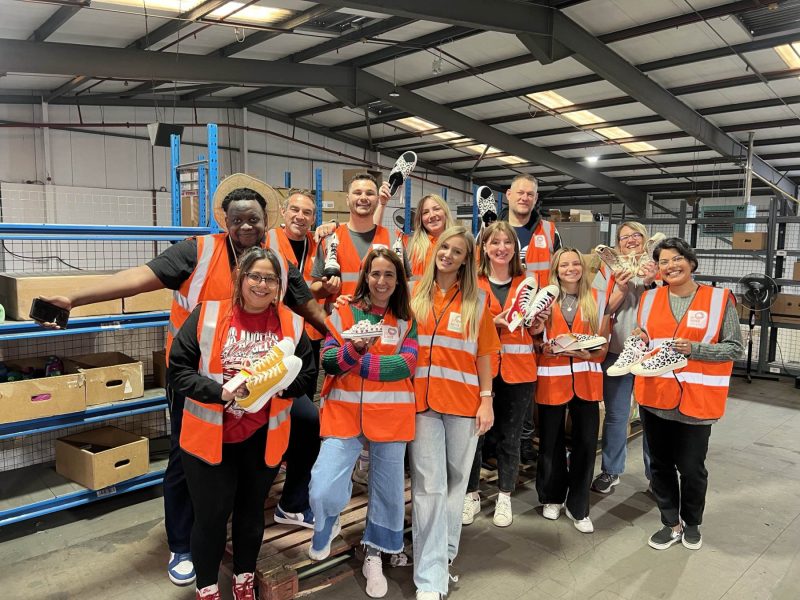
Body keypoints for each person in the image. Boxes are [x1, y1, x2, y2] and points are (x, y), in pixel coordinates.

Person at [39, 174, 327, 585]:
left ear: (268, 223)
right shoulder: (198, 252)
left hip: (259, 388)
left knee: (307, 423)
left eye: (255, 220)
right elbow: (138, 278)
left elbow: (307, 305)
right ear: (224, 221)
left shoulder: (275, 263)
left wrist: (341, 336)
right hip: (196, 382)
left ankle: (286, 504)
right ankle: (183, 544)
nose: (247, 227)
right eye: (238, 220)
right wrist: (75, 297)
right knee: (184, 460)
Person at [168, 247, 316, 600]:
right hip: (208, 439)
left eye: (270, 279)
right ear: (241, 278)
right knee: (212, 518)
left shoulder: (292, 324)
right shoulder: (208, 314)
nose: (262, 285)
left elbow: (307, 375)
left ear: (279, 285)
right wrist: (219, 392)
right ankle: (207, 587)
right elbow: (178, 370)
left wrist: (273, 386)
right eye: (255, 276)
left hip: (261, 437)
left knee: (251, 515)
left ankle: (243, 579)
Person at [308, 248, 417, 598]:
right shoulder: (342, 312)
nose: (381, 281)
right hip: (343, 414)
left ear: (398, 280)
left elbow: (406, 365)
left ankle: (375, 552)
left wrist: (357, 362)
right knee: (323, 485)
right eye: (375, 274)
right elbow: (329, 360)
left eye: (389, 274)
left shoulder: (406, 319)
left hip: (391, 417)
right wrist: (354, 350)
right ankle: (326, 522)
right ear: (365, 276)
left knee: (388, 494)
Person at [409, 226, 500, 600]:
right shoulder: (413, 292)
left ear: (466, 260)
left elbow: (484, 354)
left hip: (463, 404)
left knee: (456, 481)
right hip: (422, 404)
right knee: (429, 486)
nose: (447, 254)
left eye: (457, 251)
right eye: (444, 247)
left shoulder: (477, 301)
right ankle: (430, 578)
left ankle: (444, 555)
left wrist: (487, 399)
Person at [634, 238, 742, 551]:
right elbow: (648, 339)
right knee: (660, 465)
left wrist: (696, 349)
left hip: (697, 400)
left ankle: (692, 522)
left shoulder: (719, 299)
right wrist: (639, 339)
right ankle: (671, 523)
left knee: (692, 468)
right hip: (655, 396)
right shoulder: (650, 299)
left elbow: (734, 347)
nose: (671, 266)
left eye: (677, 258)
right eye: (664, 261)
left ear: (691, 262)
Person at [311, 173, 406, 484]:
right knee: (341, 407)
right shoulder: (330, 237)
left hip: (384, 334)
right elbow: (312, 286)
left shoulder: (391, 238)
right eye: (357, 193)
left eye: (368, 192)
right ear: (347, 198)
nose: (363, 198)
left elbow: (402, 283)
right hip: (342, 334)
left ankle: (366, 465)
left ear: (375, 198)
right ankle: (341, 471)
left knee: (376, 405)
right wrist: (327, 287)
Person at [464, 222, 547, 528]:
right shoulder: (472, 281)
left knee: (510, 438)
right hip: (480, 369)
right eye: (494, 242)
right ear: (483, 248)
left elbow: (536, 327)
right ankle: (471, 494)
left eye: (506, 242)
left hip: (519, 370)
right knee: (475, 434)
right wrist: (493, 322)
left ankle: (504, 496)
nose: (501, 248)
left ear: (515, 248)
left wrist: (538, 324)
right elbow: (465, 321)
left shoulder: (529, 281)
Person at [535, 248, 609, 534]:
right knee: (551, 443)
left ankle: (579, 506)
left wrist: (581, 354)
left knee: (586, 445)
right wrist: (546, 344)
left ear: (583, 267)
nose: (571, 268)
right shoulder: (545, 299)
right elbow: (536, 340)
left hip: (587, 381)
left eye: (575, 263)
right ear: (556, 269)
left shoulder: (598, 299)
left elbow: (602, 345)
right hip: (552, 380)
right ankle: (551, 497)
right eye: (564, 264)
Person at [264, 189, 323, 528]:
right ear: (283, 211)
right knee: (269, 417)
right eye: (295, 210)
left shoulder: (317, 243)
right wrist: (317, 289)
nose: (301, 216)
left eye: (308, 212)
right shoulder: (267, 239)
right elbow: (289, 287)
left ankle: (292, 500)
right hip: (269, 346)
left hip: (305, 341)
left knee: (303, 417)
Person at [591, 221, 659, 494]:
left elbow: (670, 303)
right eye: (624, 237)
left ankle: (657, 478)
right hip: (617, 351)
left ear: (645, 239)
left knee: (652, 418)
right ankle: (611, 471)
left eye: (636, 235)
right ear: (617, 244)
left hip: (651, 356)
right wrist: (620, 289)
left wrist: (652, 282)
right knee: (617, 417)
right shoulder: (607, 269)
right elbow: (599, 309)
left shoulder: (659, 266)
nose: (630, 240)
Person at [501, 173, 561, 464]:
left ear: (536, 199)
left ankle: (524, 443)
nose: (525, 198)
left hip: (537, 322)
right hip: (501, 318)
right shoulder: (492, 229)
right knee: (500, 382)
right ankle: (496, 443)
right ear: (508, 195)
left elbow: (561, 273)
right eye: (520, 192)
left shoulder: (550, 231)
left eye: (531, 194)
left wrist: (548, 316)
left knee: (527, 384)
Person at [404, 194, 456, 279]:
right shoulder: (410, 246)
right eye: (425, 212)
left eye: (437, 209)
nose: (432, 215)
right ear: (420, 219)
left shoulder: (460, 243)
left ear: (445, 212)